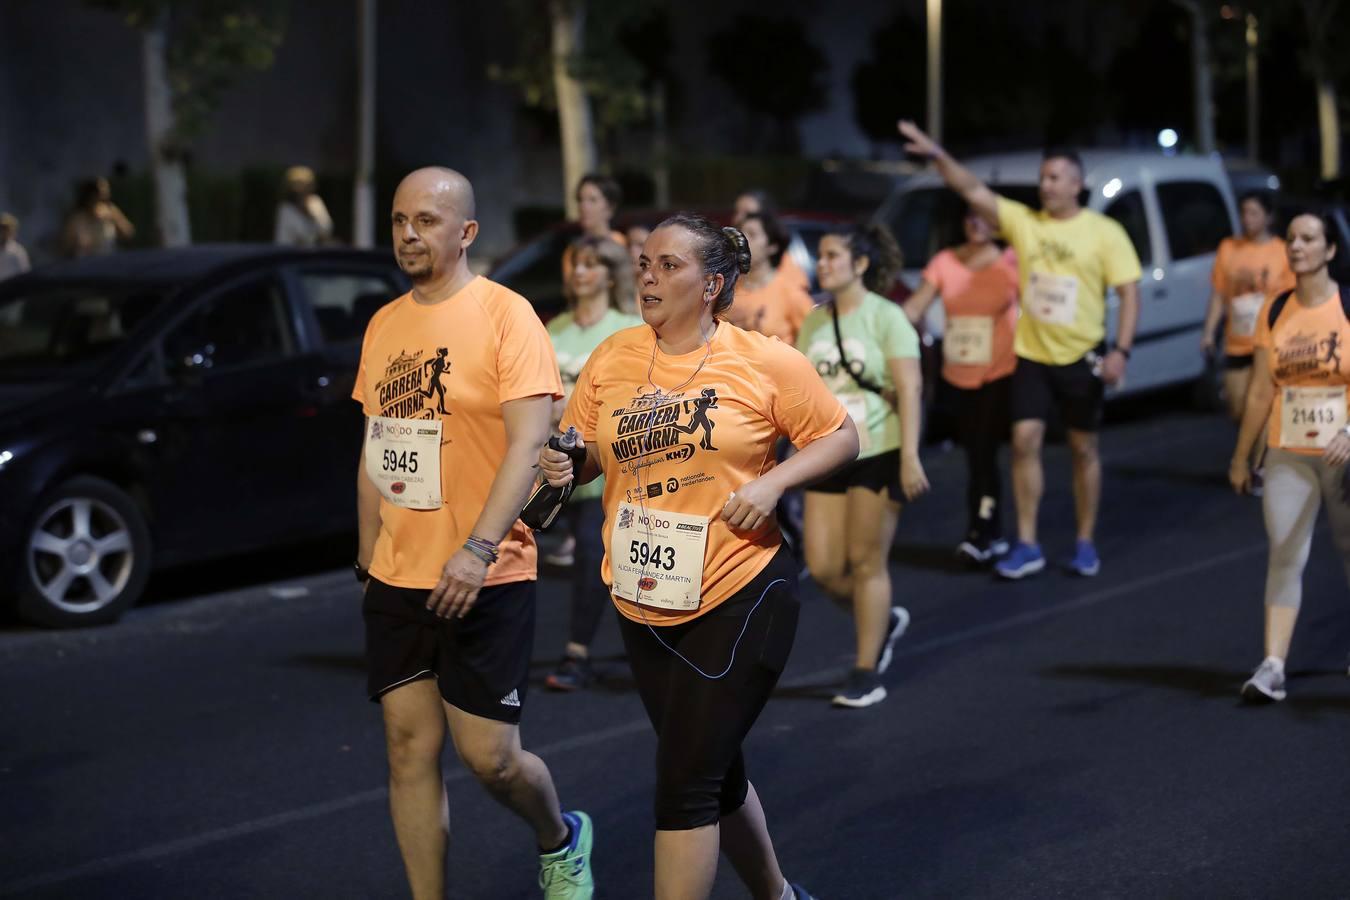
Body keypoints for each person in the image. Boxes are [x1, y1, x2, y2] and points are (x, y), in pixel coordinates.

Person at [540, 213, 854, 900]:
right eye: (645, 262)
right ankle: (778, 896)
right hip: (642, 599)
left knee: (684, 781)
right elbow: (589, 454)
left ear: (712, 284)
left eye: (669, 265)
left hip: (740, 590)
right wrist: (568, 465)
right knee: (715, 770)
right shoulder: (614, 357)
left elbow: (840, 436)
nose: (648, 275)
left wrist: (774, 483)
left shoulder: (765, 359)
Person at [353, 167, 593, 899]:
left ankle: (560, 837)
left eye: (425, 220)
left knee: (490, 758)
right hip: (400, 572)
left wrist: (479, 549)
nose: (407, 234)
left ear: (466, 232)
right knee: (407, 751)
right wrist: (366, 548)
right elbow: (375, 442)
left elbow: (529, 444)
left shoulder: (505, 314)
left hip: (487, 570)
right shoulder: (385, 322)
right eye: (398, 221)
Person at [898, 120, 1142, 581]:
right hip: (1032, 355)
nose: (1045, 184)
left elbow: (1130, 294)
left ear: (1076, 183)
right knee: (1025, 442)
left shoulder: (1104, 232)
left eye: (1054, 177)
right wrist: (936, 153)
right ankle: (1027, 542)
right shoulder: (1025, 224)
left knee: (1083, 449)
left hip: (1081, 356)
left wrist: (1121, 352)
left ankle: (1085, 540)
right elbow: (971, 189)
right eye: (1043, 177)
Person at [798, 221, 927, 708]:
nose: (822, 263)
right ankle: (884, 619)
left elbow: (909, 389)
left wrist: (911, 456)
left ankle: (866, 669)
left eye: (832, 255)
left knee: (866, 560)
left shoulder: (886, 316)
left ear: (861, 264)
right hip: (829, 452)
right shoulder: (814, 320)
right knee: (825, 567)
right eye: (822, 256)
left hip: (880, 449)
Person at [1230, 211, 1350, 703]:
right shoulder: (1275, 310)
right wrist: (1241, 457)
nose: (1296, 246)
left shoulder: (1347, 306)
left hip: (1342, 454)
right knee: (1284, 552)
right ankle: (1273, 665)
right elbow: (1261, 391)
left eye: (1308, 238)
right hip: (1287, 451)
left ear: (1331, 250)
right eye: (1292, 239)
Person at [543, 236, 642, 691]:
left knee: (590, 550)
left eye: (590, 265)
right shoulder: (553, 329)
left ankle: (577, 653)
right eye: (574, 265)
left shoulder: (628, 329)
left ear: (609, 273)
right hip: (555, 460)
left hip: (609, 463)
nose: (580, 273)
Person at [904, 206, 1019, 563]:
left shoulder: (1011, 260)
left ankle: (981, 532)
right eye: (970, 217)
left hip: (1000, 370)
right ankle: (992, 532)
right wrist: (912, 330)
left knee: (984, 452)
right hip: (958, 371)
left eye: (985, 218)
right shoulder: (945, 261)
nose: (976, 224)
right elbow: (913, 308)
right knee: (974, 454)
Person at [1203, 191, 1296, 485]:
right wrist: (1208, 331)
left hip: (1269, 341)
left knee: (1261, 403)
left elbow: (1291, 299)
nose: (1248, 219)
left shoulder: (1282, 251)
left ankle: (1259, 468)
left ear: (1268, 216)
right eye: (1244, 212)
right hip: (1237, 340)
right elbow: (1218, 294)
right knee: (1237, 407)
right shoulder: (1229, 248)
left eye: (1254, 213)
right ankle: (1253, 452)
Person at [726, 211, 816, 346]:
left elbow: (814, 341)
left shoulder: (790, 292)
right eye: (741, 234)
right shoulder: (726, 289)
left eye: (752, 234)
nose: (743, 241)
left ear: (772, 246)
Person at [732, 188, 809, 292]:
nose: (738, 219)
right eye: (736, 212)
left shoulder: (786, 267)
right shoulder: (731, 260)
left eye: (748, 213)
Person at [561, 174, 626, 282]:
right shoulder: (572, 251)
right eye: (580, 200)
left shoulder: (624, 244)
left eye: (592, 200)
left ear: (610, 207)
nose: (583, 206)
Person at [61, 177, 135, 258]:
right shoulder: (76, 219)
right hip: (85, 264)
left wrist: (114, 219)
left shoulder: (110, 211)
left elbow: (128, 233)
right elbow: (65, 246)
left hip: (108, 261)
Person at [274, 165, 334, 247]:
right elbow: (299, 236)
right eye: (297, 184)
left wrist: (310, 214)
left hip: (314, 254)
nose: (300, 188)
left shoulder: (315, 202)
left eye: (304, 184)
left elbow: (327, 228)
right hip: (291, 254)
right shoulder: (285, 208)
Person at [0, 213, 31, 281]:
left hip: (12, 288)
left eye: (6, 229)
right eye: (2, 228)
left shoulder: (18, 251)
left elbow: (24, 273)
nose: (3, 232)